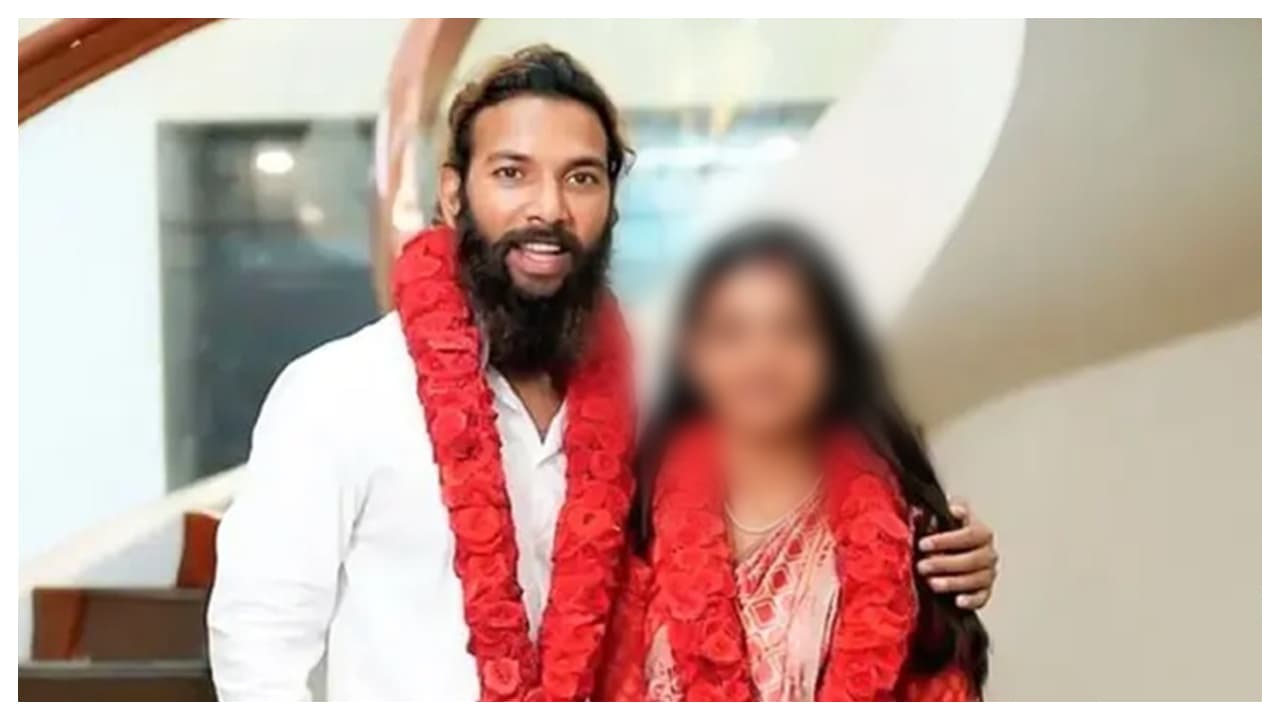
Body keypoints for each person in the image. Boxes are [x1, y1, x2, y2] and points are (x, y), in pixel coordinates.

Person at [207, 45, 997, 701]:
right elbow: (258, 651)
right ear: (453, 193)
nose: (548, 208)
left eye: (581, 177)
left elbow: (784, 525)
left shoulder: (659, 392)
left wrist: (935, 550)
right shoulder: (339, 392)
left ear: (611, 202)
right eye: (512, 173)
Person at [599, 221, 989, 701]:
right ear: (692, 355)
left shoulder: (908, 535)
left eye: (794, 331)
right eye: (731, 333)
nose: (762, 359)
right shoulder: (633, 516)